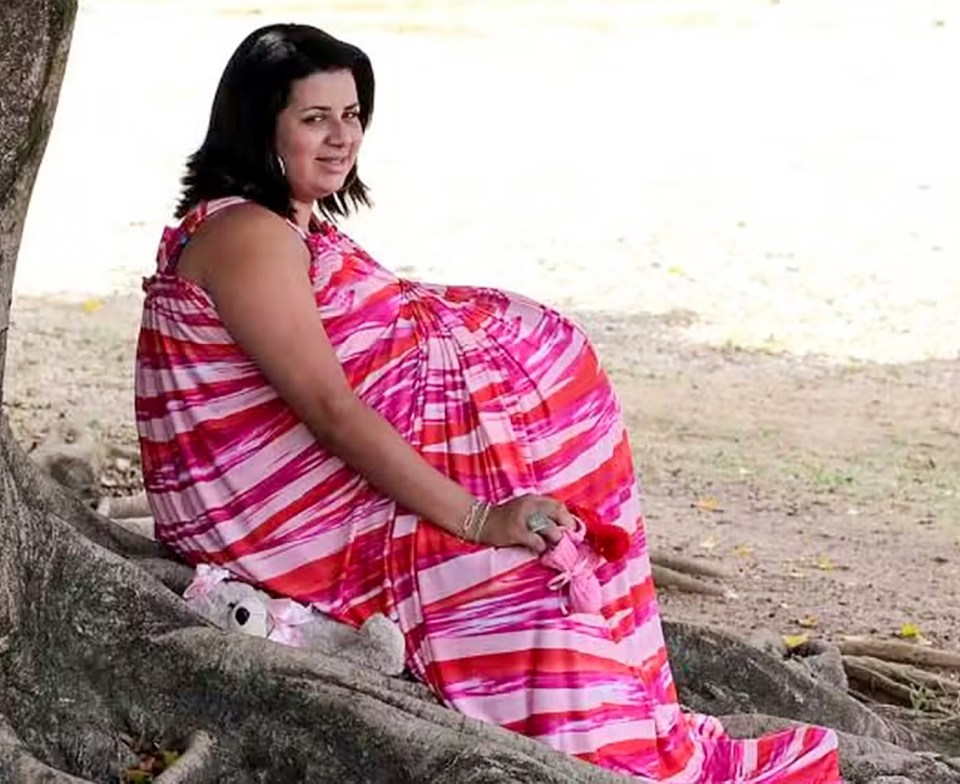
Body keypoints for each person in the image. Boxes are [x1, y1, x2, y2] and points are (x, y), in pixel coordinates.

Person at [135, 23, 841, 782]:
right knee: (512, 578)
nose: (342, 138)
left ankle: (630, 739)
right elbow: (328, 407)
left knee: (543, 558)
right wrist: (476, 516)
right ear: (257, 123)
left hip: (321, 498)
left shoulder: (288, 223)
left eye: (353, 115)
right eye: (315, 119)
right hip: (278, 522)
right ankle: (614, 756)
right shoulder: (248, 234)